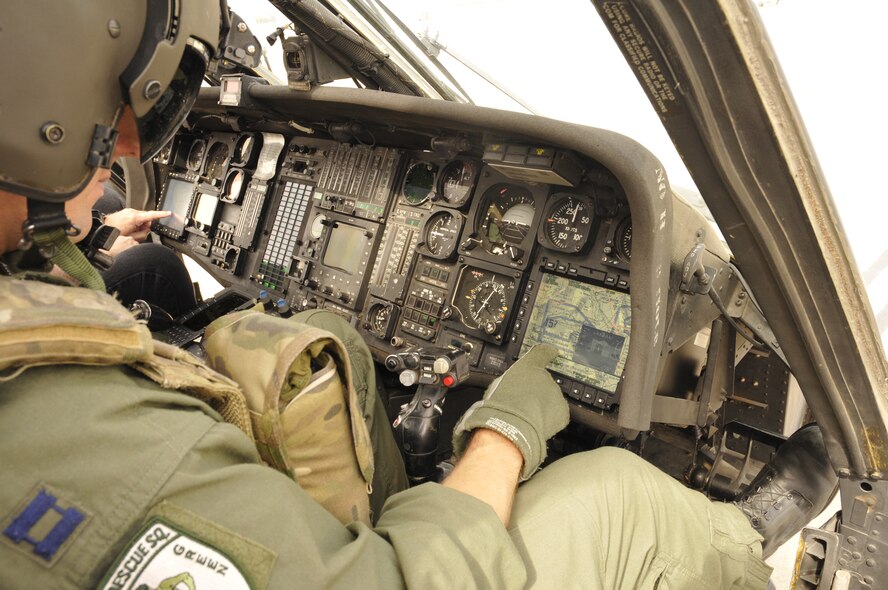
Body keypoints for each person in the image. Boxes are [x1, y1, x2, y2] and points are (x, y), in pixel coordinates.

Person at [0, 1, 836, 588]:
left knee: (326, 331)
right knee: (615, 489)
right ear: (43, 122)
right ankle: (741, 530)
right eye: (114, 129)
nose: (117, 160)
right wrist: (503, 433)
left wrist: (91, 242)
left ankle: (414, 489)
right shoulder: (83, 447)